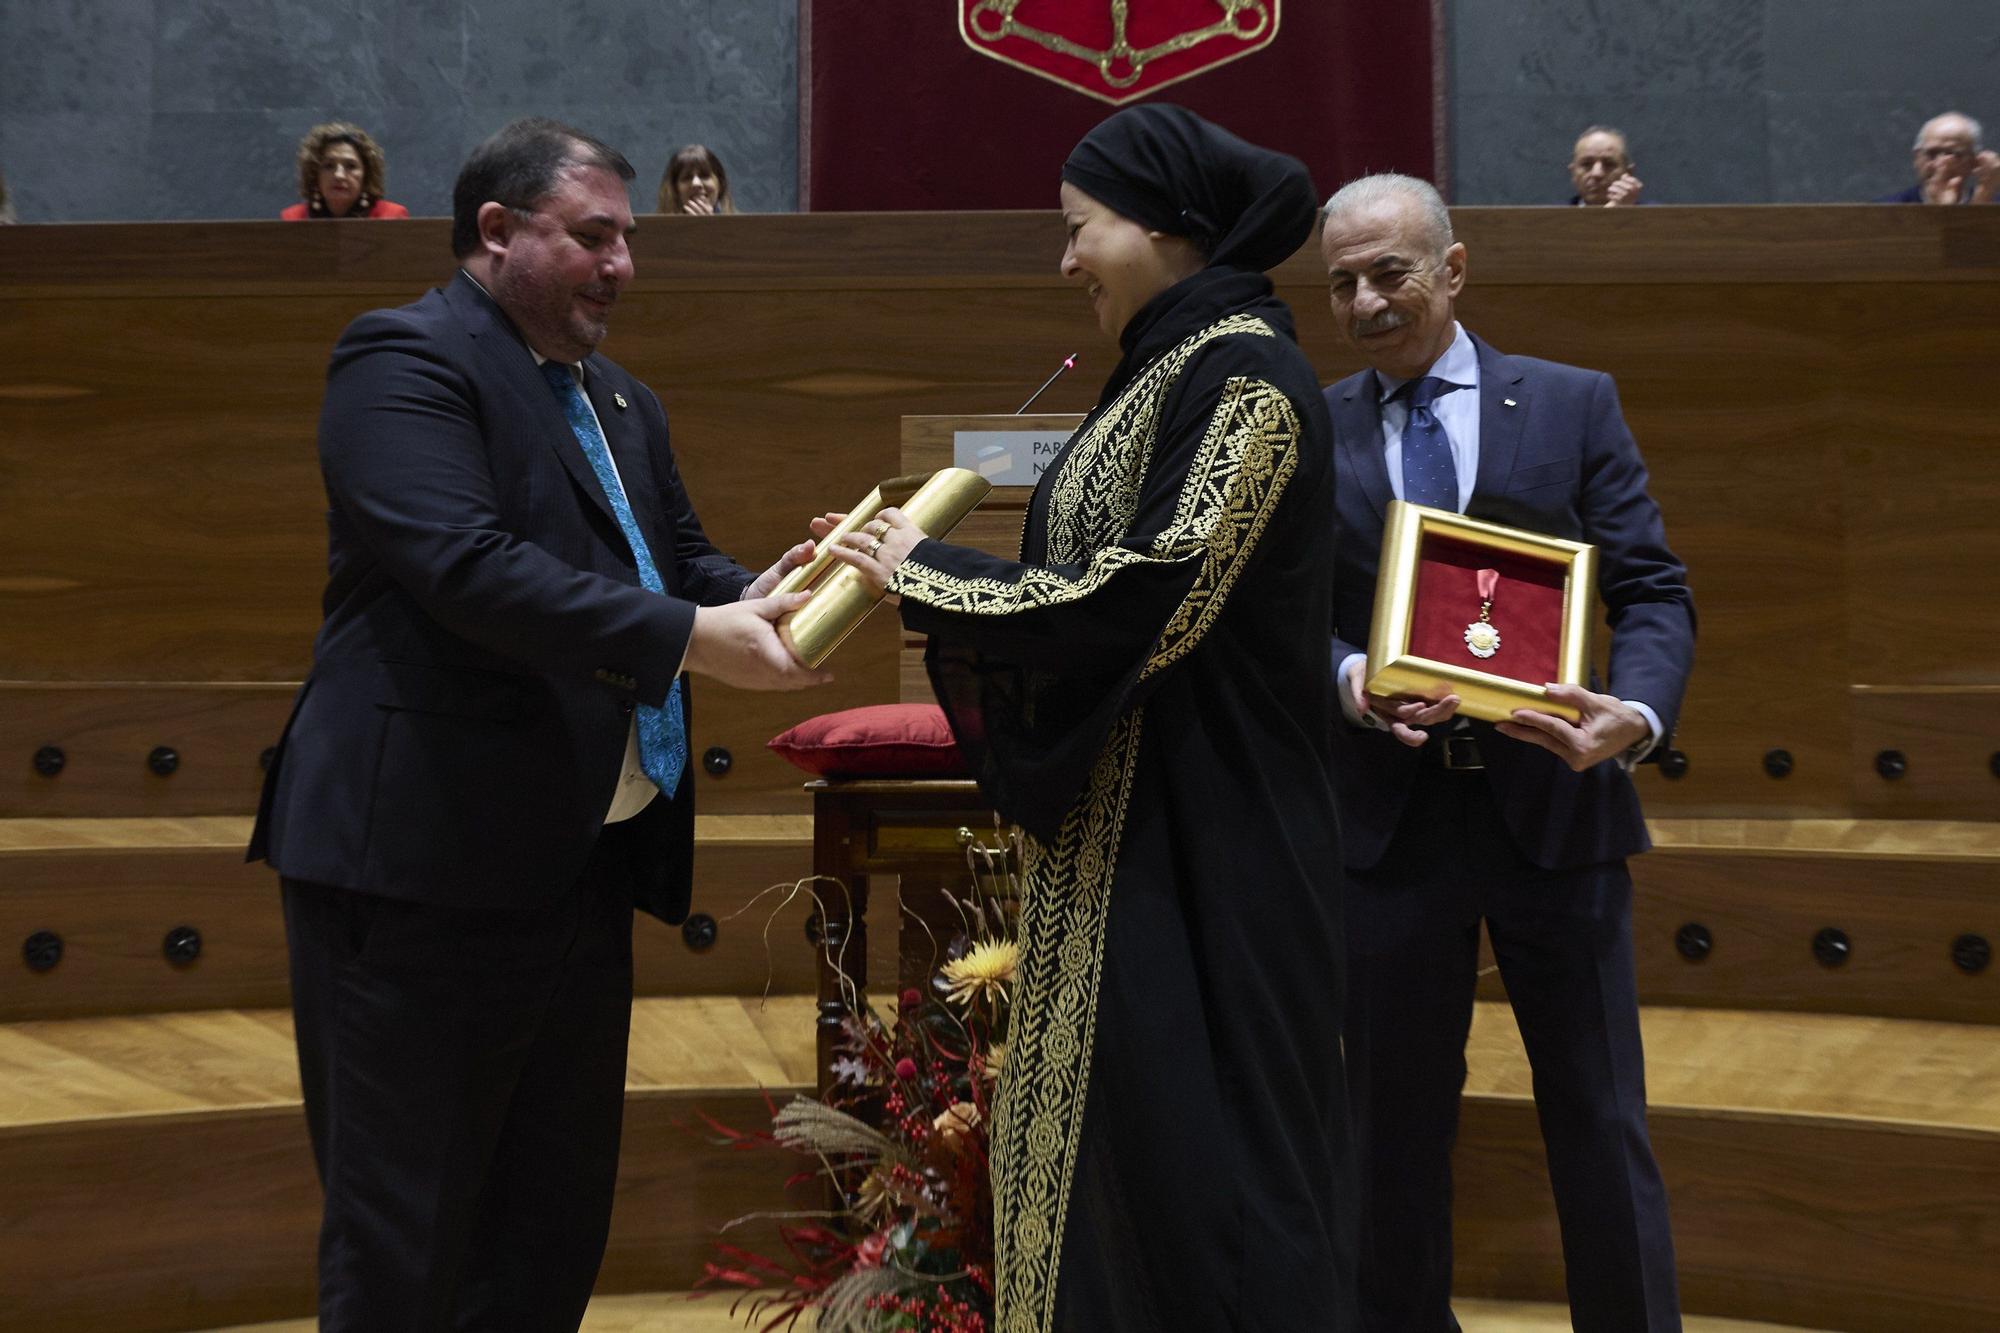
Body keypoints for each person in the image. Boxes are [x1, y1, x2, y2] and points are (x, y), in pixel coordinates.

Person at [247, 117, 828, 1330]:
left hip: (574, 863)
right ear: (497, 231)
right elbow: (465, 565)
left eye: (628, 239)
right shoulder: (402, 360)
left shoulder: (617, 396)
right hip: (416, 869)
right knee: (406, 1233)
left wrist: (772, 590)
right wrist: (685, 633)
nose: (621, 265)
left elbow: (671, 559)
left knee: (546, 1227)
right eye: (593, 237)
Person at [826, 105, 1353, 1331]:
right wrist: (909, 564)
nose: (1064, 262)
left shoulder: (1250, 378)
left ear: (1166, 224)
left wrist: (930, 569)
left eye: (1080, 230)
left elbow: (1151, 599)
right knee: (1123, 1166)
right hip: (1127, 845)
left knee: (1206, 1177)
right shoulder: (1166, 371)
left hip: (1215, 852)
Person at [1319, 173, 1693, 1333]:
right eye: (1341, 283)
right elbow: (1281, 620)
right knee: (1390, 1135)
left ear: (1454, 267)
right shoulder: (1308, 425)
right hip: (1387, 827)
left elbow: (1650, 591)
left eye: (1390, 271)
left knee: (1597, 1119)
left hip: (1558, 816)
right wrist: (1346, 679)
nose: (1368, 300)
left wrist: (1631, 715)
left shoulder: (1573, 403)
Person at [281, 122, 411, 219]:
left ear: (366, 174)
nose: (339, 175)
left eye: (351, 166)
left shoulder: (392, 217)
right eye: (328, 166)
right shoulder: (293, 218)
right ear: (314, 173)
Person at [1877, 111, 1999, 203]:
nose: (1941, 164)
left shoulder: (1987, 199)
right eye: (1932, 154)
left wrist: (1983, 196)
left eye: (1954, 154)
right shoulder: (1883, 210)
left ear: (1974, 162)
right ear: (1917, 158)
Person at [1567, 126, 1645, 206]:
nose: (1596, 173)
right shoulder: (1555, 217)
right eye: (1586, 164)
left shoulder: (1656, 216)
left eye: (1609, 164)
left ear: (1628, 173)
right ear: (1573, 173)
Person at [656, 143, 736, 215]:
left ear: (720, 184)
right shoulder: (656, 230)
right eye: (687, 177)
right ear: (675, 188)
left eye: (704, 176)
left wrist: (712, 226)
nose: (696, 183)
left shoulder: (742, 228)